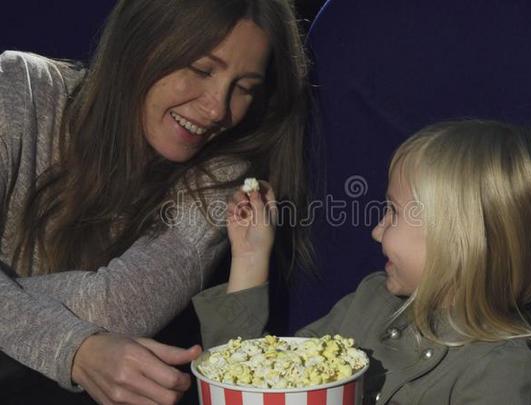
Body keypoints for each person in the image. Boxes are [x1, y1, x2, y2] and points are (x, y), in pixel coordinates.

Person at [0, 0, 312, 403]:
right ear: (141, 42)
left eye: (245, 88)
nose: (218, 108)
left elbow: (117, 311)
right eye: (202, 69)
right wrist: (75, 348)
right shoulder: (17, 89)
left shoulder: (224, 179)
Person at [193, 120, 531, 404]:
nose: (376, 231)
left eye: (392, 212)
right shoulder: (370, 303)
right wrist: (249, 255)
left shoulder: (504, 372)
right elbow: (252, 381)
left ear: (458, 241)